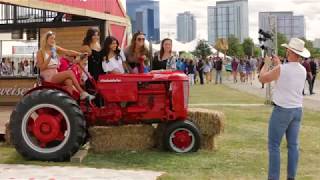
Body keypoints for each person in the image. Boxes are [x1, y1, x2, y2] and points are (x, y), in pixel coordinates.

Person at [259, 38, 310, 180]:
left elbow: (262, 79)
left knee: (274, 146)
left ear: (289, 51)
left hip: (282, 110)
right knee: (293, 146)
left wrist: (266, 64)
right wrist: (277, 64)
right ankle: (291, 177)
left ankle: (274, 178)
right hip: (297, 110)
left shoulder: (282, 69)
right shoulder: (302, 70)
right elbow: (285, 78)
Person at [37, 31, 94, 100]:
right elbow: (42, 68)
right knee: (69, 72)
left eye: (54, 39)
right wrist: (49, 57)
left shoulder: (55, 48)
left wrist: (80, 54)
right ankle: (82, 92)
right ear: (46, 39)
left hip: (55, 73)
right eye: (51, 38)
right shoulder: (40, 52)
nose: (53, 40)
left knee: (69, 80)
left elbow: (67, 52)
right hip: (48, 76)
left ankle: (69, 101)